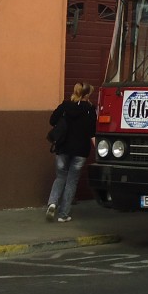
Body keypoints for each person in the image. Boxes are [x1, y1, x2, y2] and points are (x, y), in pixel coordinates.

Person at [45, 82, 97, 223]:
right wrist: (98, 150)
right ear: (87, 95)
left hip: (63, 148)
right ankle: (63, 214)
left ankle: (53, 203)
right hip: (80, 151)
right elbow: (93, 132)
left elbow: (52, 120)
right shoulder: (90, 110)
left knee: (60, 177)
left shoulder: (65, 106)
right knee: (72, 181)